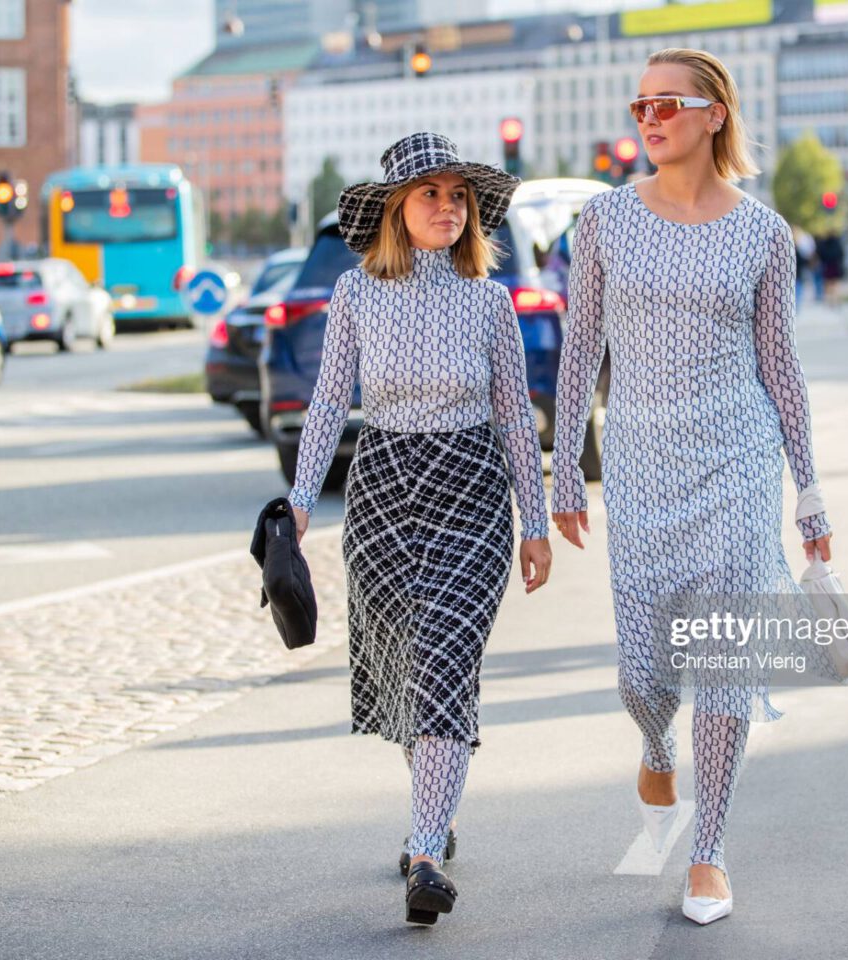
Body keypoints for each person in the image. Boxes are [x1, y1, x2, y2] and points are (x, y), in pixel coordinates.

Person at [551, 47, 841, 927]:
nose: (649, 118)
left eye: (667, 103)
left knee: (721, 656)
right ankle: (652, 740)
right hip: (640, 465)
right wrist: (567, 466)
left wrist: (809, 492)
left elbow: (781, 368)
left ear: (715, 113)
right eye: (639, 105)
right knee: (644, 672)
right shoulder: (602, 222)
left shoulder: (763, 233)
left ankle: (708, 849)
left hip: (737, 463)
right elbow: (579, 355)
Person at [287, 132, 552, 926]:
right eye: (430, 193)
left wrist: (534, 522)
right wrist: (300, 500)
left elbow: (514, 415)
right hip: (380, 493)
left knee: (443, 660)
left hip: (471, 490)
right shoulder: (355, 294)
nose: (446, 206)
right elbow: (331, 402)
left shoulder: (490, 300)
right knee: (411, 672)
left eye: (457, 195)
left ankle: (427, 850)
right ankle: (435, 805)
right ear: (398, 208)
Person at [817, 230, 845, 310]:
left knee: (828, 284)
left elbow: (821, 253)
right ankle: (836, 300)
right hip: (836, 265)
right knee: (836, 285)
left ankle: (830, 301)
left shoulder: (825, 244)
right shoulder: (838, 244)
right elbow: (842, 254)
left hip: (828, 266)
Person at [793, 225, 816, 310]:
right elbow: (802, 260)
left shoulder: (796, 247)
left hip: (795, 273)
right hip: (797, 273)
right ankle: (796, 306)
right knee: (797, 290)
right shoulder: (797, 247)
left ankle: (796, 306)